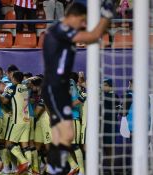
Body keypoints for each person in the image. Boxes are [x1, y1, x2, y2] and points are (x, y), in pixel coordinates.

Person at [41, 2, 113, 174]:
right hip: (54, 87)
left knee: (60, 137)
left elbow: (93, 35)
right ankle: (54, 169)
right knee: (66, 135)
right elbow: (94, 35)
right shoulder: (59, 29)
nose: (83, 25)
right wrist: (107, 15)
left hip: (60, 88)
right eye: (82, 21)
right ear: (73, 16)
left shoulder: (62, 30)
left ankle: (52, 169)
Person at [0, 71, 31, 174]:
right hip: (27, 120)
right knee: (25, 146)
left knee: (8, 144)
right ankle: (31, 170)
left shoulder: (12, 87)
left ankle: (24, 162)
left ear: (13, 78)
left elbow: (5, 101)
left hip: (17, 120)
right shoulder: (25, 87)